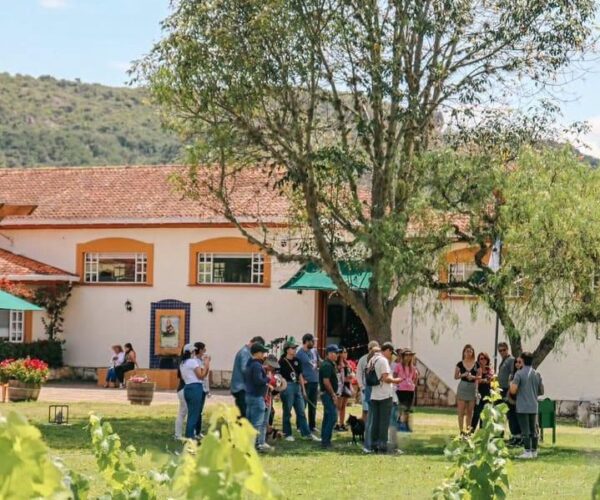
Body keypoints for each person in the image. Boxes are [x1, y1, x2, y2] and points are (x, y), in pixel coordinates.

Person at [279, 340, 318, 441]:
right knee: (287, 411)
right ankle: (287, 433)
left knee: (301, 411)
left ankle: (306, 433)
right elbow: (279, 376)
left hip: (297, 386)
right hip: (287, 386)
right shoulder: (281, 361)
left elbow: (300, 375)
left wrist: (303, 390)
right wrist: (281, 388)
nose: (295, 349)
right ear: (287, 350)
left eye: (295, 348)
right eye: (293, 348)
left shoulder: (297, 360)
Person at [366, 342, 401, 454]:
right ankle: (382, 446)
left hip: (374, 394)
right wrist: (396, 380)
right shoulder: (383, 360)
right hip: (385, 395)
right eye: (391, 353)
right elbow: (386, 378)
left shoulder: (372, 359)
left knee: (375, 422)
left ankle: (374, 445)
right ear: (388, 350)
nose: (391, 356)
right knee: (384, 422)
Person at [510, 352, 544, 459]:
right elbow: (541, 391)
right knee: (534, 430)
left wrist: (511, 383)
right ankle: (534, 451)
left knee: (525, 430)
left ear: (523, 360)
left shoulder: (519, 374)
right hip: (533, 405)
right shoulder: (537, 374)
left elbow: (513, 390)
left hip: (522, 406)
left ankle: (527, 451)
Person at [180, 343, 210, 439]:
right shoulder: (193, 362)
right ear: (191, 352)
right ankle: (190, 436)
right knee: (194, 414)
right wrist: (207, 364)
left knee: (191, 414)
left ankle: (189, 435)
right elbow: (201, 376)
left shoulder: (182, 363)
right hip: (195, 387)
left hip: (187, 387)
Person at [231, 335, 265, 418]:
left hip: (242, 388)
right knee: (244, 415)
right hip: (241, 388)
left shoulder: (247, 352)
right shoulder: (245, 352)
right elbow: (245, 369)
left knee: (243, 414)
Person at [244, 342, 270, 447]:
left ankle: (248, 444)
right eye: (262, 352)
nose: (264, 354)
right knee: (257, 423)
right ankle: (255, 445)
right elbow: (258, 380)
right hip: (257, 396)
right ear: (257, 353)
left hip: (249, 395)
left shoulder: (249, 363)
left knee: (250, 422)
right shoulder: (257, 365)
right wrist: (267, 378)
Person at [356, 340, 379, 451]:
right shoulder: (363, 359)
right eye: (371, 349)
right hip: (366, 388)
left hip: (376, 389)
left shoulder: (380, 359)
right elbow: (359, 373)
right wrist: (361, 387)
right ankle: (364, 432)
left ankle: (372, 435)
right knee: (366, 411)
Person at [497, 342, 520, 442]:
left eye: (504, 350)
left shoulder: (511, 360)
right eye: (500, 351)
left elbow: (513, 374)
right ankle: (499, 434)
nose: (502, 352)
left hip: (507, 390)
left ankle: (515, 435)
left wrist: (510, 391)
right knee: (500, 413)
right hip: (500, 390)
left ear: (507, 349)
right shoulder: (503, 361)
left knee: (510, 414)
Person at [296, 333, 320, 432]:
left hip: (315, 381)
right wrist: (301, 380)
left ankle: (312, 425)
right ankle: (299, 425)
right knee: (303, 405)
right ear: (306, 341)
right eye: (312, 341)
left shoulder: (314, 351)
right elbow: (297, 369)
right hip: (305, 382)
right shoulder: (300, 354)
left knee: (313, 404)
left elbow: (319, 361)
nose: (314, 343)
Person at [319, 344, 340, 448]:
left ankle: (324, 439)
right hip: (327, 394)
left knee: (327, 416)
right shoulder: (327, 365)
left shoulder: (330, 364)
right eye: (336, 353)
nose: (337, 355)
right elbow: (326, 382)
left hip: (327, 394)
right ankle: (326, 441)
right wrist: (333, 395)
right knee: (332, 417)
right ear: (330, 354)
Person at [454, 344, 478, 435]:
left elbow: (479, 376)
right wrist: (463, 375)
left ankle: (468, 431)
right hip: (463, 387)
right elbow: (455, 377)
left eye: (471, 351)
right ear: (464, 352)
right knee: (461, 411)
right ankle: (461, 431)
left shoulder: (476, 364)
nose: (469, 353)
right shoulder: (460, 364)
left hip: (472, 388)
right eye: (467, 351)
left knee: (470, 412)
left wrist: (473, 377)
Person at [258, 354, 280, 452]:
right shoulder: (260, 370)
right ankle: (257, 442)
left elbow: (274, 386)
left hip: (268, 399)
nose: (273, 368)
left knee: (264, 422)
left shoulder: (271, 372)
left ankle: (262, 442)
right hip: (260, 399)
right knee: (259, 422)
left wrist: (276, 388)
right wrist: (268, 385)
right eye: (271, 365)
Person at [394, 349, 419, 432]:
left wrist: (413, 384)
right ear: (403, 356)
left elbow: (415, 377)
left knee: (408, 409)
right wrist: (398, 383)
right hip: (401, 389)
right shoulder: (398, 366)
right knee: (401, 408)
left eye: (410, 355)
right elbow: (394, 376)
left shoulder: (413, 368)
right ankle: (398, 424)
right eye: (406, 355)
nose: (408, 357)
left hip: (410, 390)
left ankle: (407, 425)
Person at [471, 352, 494, 429]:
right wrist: (483, 379)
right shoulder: (476, 369)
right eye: (481, 358)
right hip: (479, 395)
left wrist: (482, 380)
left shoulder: (490, 370)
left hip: (487, 395)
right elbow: (477, 380)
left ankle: (482, 432)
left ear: (487, 360)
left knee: (484, 415)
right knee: (476, 414)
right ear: (478, 360)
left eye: (485, 358)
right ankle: (471, 432)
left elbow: (490, 379)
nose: (483, 360)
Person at [335, 347, 353, 431]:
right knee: (338, 406)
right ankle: (336, 424)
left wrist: (351, 376)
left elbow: (350, 373)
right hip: (340, 387)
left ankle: (342, 423)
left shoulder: (347, 363)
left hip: (347, 386)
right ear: (340, 353)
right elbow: (338, 377)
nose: (346, 354)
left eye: (346, 352)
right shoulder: (337, 364)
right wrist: (346, 378)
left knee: (343, 406)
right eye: (344, 352)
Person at [174, 345, 187, 440]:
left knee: (182, 412)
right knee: (183, 412)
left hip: (182, 389)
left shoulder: (183, 362)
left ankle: (178, 434)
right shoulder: (184, 363)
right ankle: (178, 435)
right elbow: (183, 377)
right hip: (183, 389)